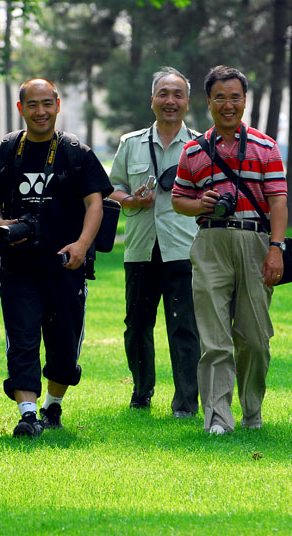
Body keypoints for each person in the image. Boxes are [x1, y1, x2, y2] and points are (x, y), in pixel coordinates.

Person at [0, 78, 112, 438]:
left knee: (64, 347)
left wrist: (82, 245)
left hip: (66, 265)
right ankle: (28, 413)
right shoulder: (5, 151)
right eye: (32, 104)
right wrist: (2, 223)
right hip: (19, 266)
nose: (40, 111)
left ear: (58, 105)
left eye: (46, 103)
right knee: (21, 339)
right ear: (21, 108)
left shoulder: (74, 151)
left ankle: (52, 405)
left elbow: (95, 203)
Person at [172, 65, 288, 435]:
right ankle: (218, 419)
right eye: (219, 97)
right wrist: (200, 204)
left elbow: (279, 202)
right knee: (214, 338)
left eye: (234, 97)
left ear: (244, 100)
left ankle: (252, 411)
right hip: (210, 242)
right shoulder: (193, 150)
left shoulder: (265, 146)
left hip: (255, 241)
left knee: (255, 338)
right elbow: (178, 199)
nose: (227, 104)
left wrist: (276, 249)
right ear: (208, 101)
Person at [107, 67, 201, 417]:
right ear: (152, 101)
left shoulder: (200, 146)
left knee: (184, 327)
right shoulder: (130, 143)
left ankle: (186, 402)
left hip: (184, 249)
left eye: (177, 94)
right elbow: (111, 188)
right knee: (137, 326)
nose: (170, 101)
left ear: (187, 102)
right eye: (163, 94)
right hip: (141, 248)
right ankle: (141, 392)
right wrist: (131, 200)